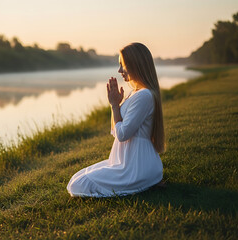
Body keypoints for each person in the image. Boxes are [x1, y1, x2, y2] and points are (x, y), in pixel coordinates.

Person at [67, 42, 165, 197]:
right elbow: (115, 131)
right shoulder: (134, 93)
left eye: (122, 65)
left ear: (135, 65)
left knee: (78, 185)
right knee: (77, 178)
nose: (119, 70)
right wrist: (116, 105)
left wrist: (114, 106)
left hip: (136, 167)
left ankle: (144, 180)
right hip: (125, 161)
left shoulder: (144, 95)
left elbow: (123, 134)